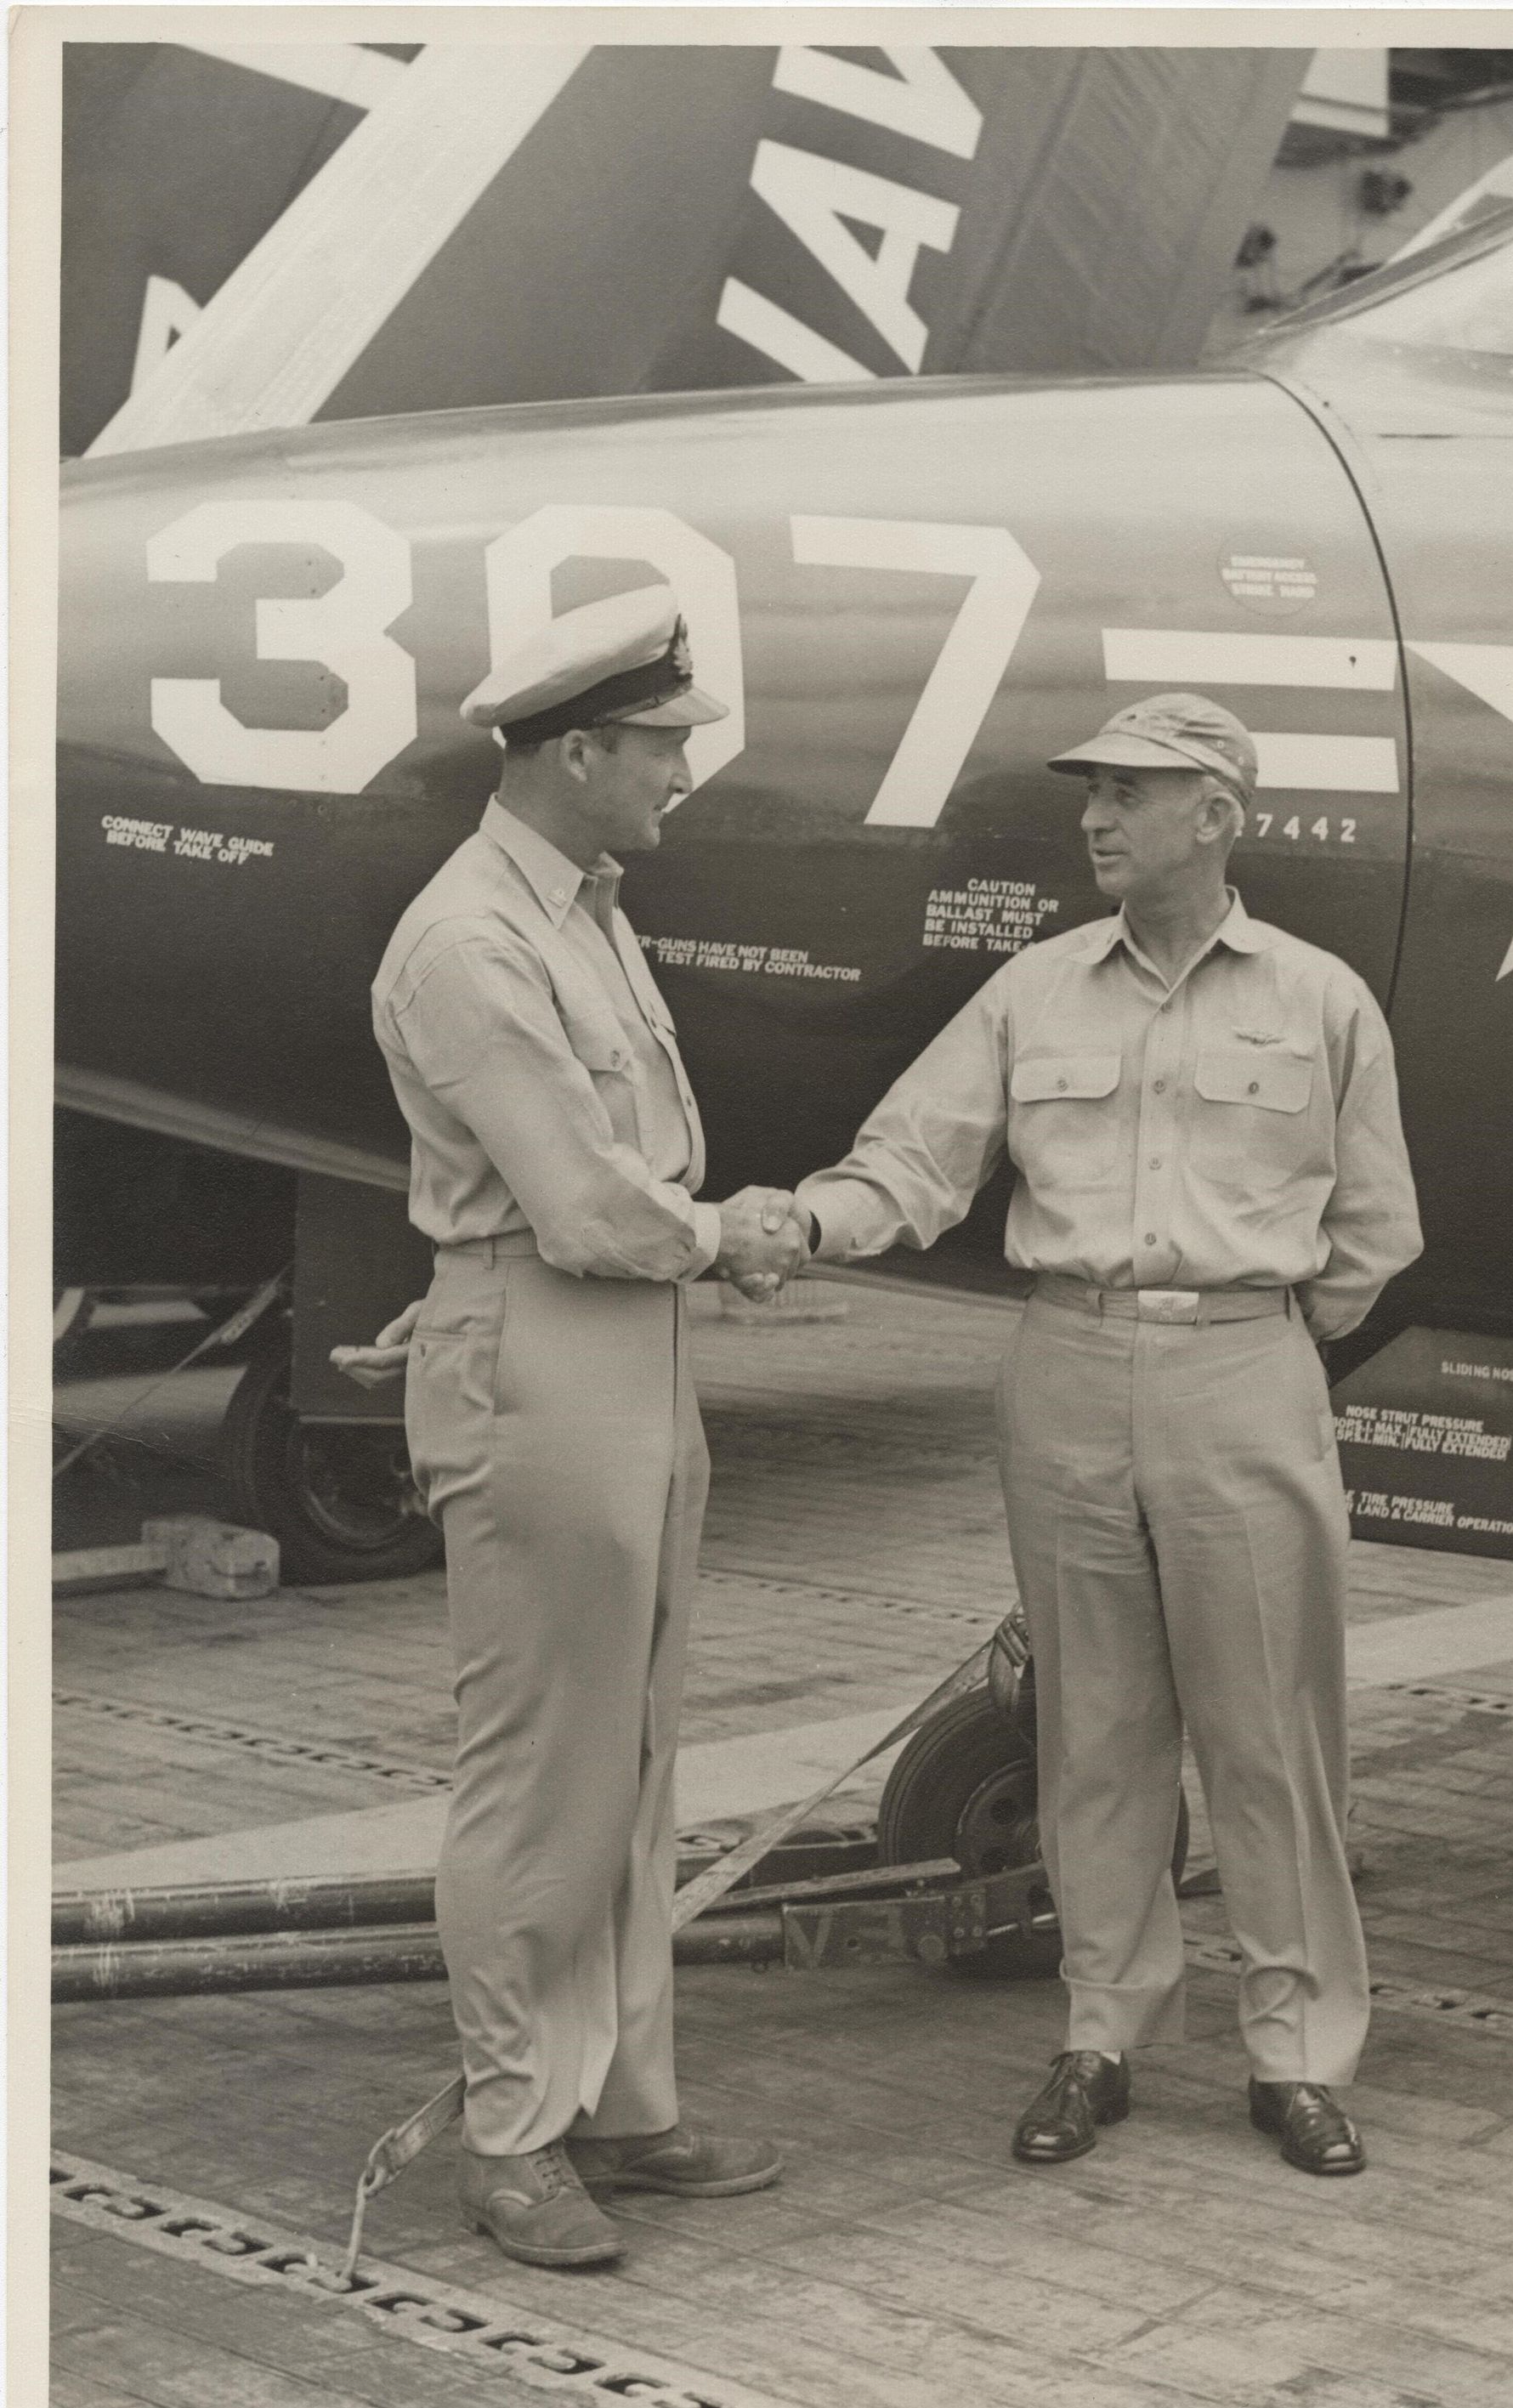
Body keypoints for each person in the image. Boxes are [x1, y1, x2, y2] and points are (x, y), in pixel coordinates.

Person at [787, 693, 1422, 2177]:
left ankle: (1298, 2053)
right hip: (1065, 1363)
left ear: (1217, 814)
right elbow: (914, 1160)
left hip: (1242, 1369)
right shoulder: (1035, 992)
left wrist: (1247, 1338)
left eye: (1130, 793)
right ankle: (1103, 2033)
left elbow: (1376, 1229)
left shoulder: (1321, 999)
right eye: (1091, 794)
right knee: (1094, 1730)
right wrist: (807, 1222)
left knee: (1273, 1734)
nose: (1094, 817)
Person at [344, 585, 806, 2269]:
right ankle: (515, 2130)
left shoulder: (583, 907)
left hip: (623, 1345)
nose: (684, 769)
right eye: (664, 744)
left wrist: (688, 1247)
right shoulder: (473, 937)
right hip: (549, 1342)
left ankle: (626, 2103)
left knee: (634, 1757)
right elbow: (577, 1199)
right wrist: (729, 1235)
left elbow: (617, 1178)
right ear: (582, 747)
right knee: (544, 1769)